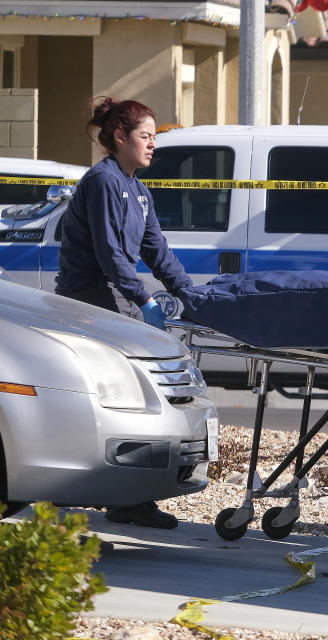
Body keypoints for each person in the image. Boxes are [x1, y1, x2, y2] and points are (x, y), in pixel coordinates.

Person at [56, 97, 193, 530]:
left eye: (155, 137)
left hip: (118, 296)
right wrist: (146, 301)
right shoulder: (102, 181)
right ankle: (124, 496)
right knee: (137, 393)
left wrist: (188, 292)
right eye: (145, 136)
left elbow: (156, 250)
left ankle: (132, 496)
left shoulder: (138, 189)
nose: (153, 145)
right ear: (120, 137)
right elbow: (111, 256)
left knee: (148, 394)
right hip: (92, 298)